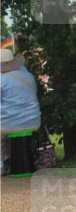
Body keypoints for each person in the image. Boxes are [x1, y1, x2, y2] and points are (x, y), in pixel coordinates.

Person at [1, 46, 42, 176]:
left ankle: (1, 166)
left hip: (12, 123)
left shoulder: (2, 79)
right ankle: (8, 160)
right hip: (34, 121)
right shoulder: (28, 76)